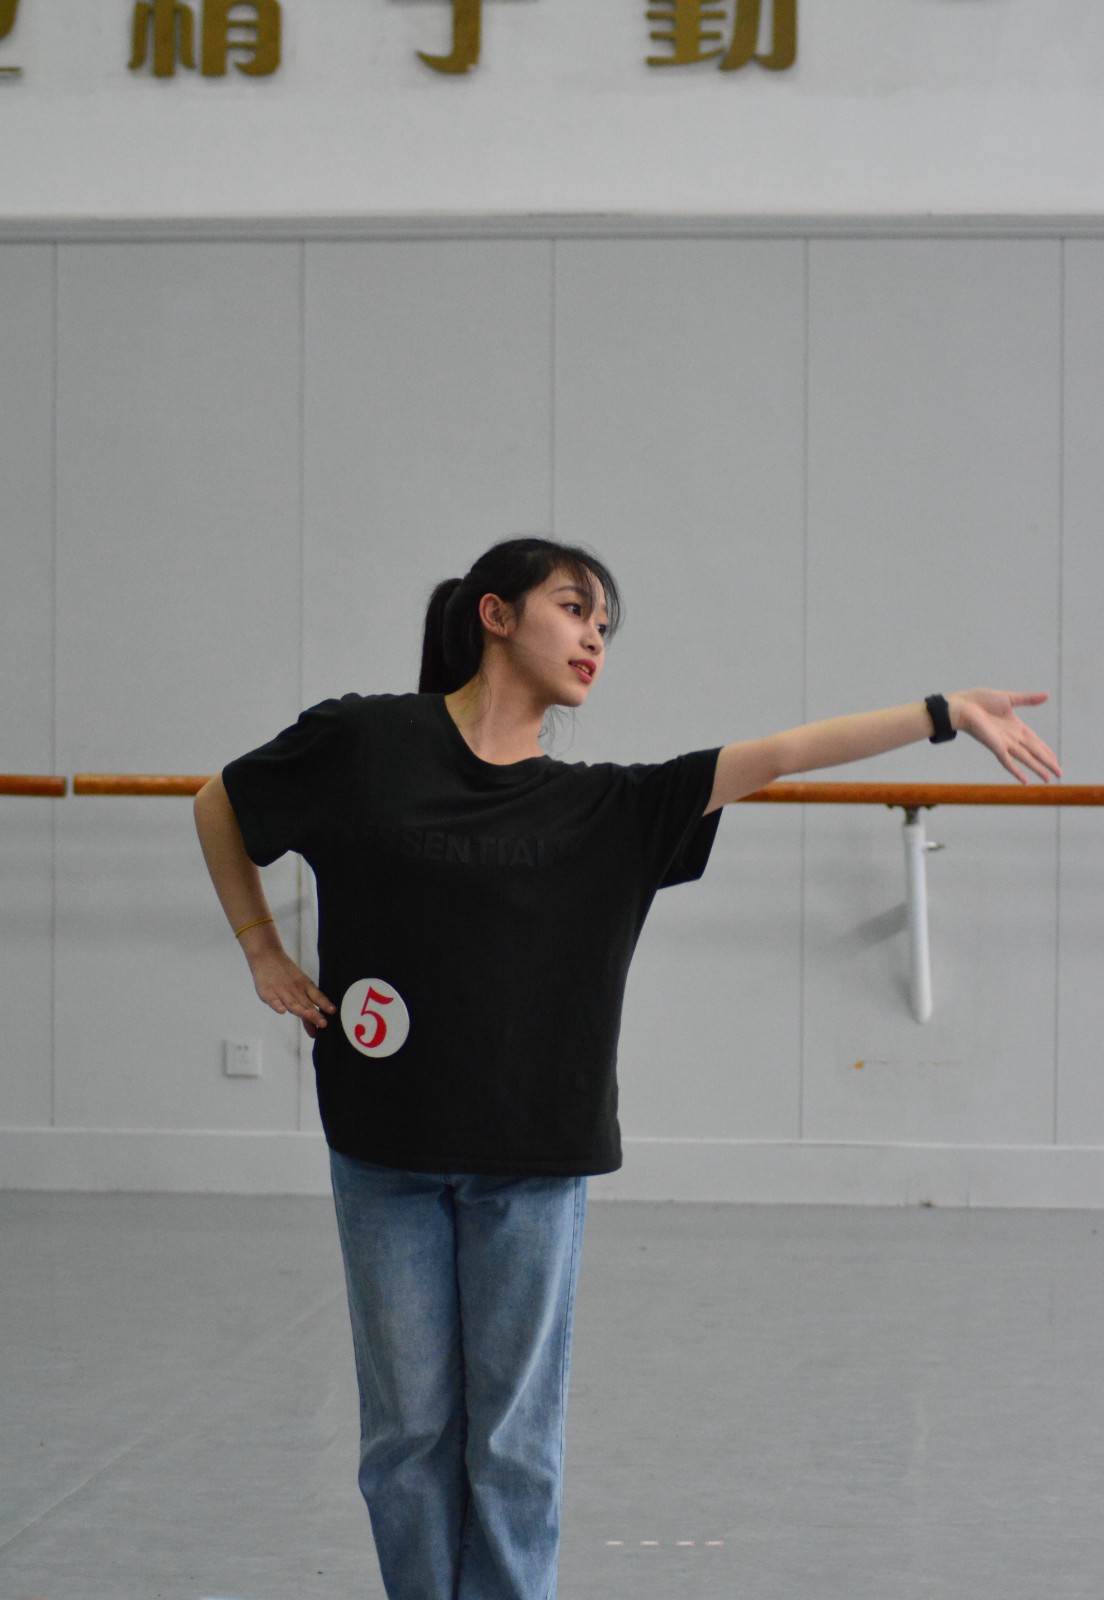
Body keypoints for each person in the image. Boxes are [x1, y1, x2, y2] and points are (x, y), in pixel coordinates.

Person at [193, 535, 1061, 1600]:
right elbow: (221, 802)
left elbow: (780, 753)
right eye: (575, 609)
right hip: (384, 1152)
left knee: (510, 1446)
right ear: (495, 613)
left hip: (533, 1167)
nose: (595, 637)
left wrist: (943, 711)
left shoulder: (610, 808)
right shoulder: (368, 741)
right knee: (406, 1438)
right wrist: (262, 949)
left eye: (606, 625)